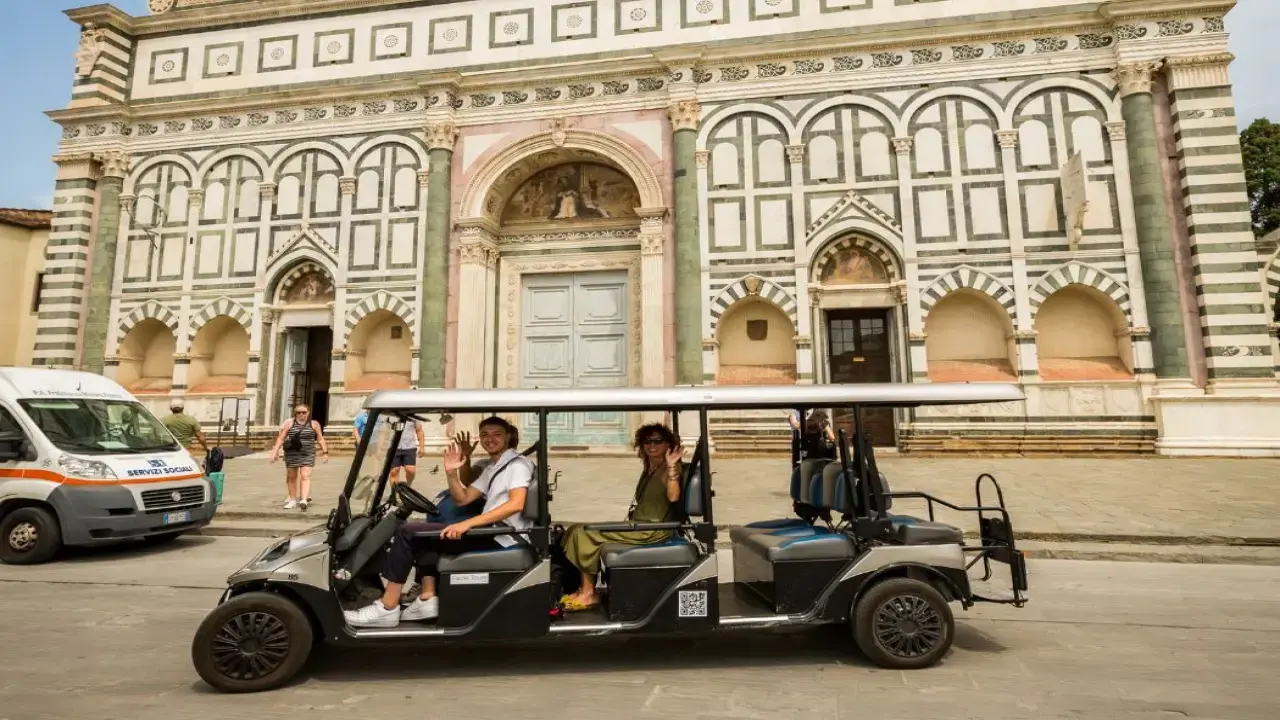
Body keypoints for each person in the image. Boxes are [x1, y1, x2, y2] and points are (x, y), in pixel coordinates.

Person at [344, 416, 533, 628]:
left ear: (508, 436)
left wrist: (468, 524)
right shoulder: (494, 467)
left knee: (407, 533)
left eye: (497, 434)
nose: (490, 439)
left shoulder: (517, 465)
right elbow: (463, 499)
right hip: (494, 533)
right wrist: (451, 473)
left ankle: (387, 607)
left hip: (503, 537)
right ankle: (427, 597)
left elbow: (516, 504)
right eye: (484, 435)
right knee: (424, 535)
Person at [558, 423, 684, 611]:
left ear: (668, 444)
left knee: (583, 533)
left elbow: (673, 496)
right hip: (640, 524)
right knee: (574, 529)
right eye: (647, 441)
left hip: (651, 530)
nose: (652, 445)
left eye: (658, 441)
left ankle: (588, 593)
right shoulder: (651, 467)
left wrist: (672, 466)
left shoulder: (669, 468)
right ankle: (581, 587)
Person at [269, 404, 329, 511]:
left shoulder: (314, 424)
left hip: (308, 453)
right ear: (295, 413)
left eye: (304, 412)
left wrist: (325, 452)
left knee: (305, 475)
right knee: (292, 477)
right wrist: (275, 451)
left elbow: (320, 438)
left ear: (308, 413)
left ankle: (304, 499)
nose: (301, 414)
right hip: (292, 454)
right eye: (298, 412)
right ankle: (292, 500)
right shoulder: (289, 424)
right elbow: (281, 438)